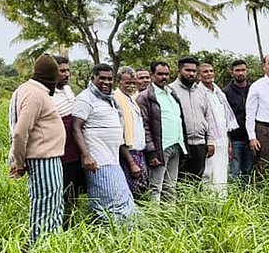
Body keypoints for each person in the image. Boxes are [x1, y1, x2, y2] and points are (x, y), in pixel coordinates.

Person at [7, 54, 67, 242]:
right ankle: (41, 249)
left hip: (48, 158)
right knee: (46, 206)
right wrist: (19, 162)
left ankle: (51, 245)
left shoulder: (32, 90)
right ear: (50, 77)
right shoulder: (35, 94)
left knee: (53, 204)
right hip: (43, 159)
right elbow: (20, 132)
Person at [71, 64, 138, 223]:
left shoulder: (110, 100)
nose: (106, 82)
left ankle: (115, 236)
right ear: (92, 78)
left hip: (113, 160)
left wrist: (130, 160)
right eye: (102, 78)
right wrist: (86, 155)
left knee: (121, 200)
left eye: (109, 79)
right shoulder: (85, 98)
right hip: (98, 162)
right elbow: (75, 127)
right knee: (111, 204)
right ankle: (111, 237)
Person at [137, 60, 186, 202]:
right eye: (160, 74)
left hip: (176, 145)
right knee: (155, 187)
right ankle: (155, 219)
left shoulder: (171, 93)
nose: (164, 77)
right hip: (159, 149)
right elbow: (144, 126)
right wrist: (152, 151)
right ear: (152, 75)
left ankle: (170, 218)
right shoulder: (145, 96)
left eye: (166, 74)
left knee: (170, 186)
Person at [169, 56, 218, 182]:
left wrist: (211, 141)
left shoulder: (201, 91)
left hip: (200, 144)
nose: (191, 74)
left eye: (194, 71)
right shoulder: (171, 90)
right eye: (187, 70)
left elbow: (209, 116)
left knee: (197, 181)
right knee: (179, 181)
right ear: (179, 71)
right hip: (180, 145)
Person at [52, 55, 83, 223]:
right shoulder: (48, 95)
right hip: (60, 153)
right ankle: (62, 224)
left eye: (68, 70)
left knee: (74, 192)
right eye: (62, 71)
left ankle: (72, 222)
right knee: (62, 191)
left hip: (75, 150)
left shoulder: (68, 90)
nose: (66, 74)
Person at [200, 62, 238, 196]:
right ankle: (208, 205)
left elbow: (225, 121)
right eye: (205, 72)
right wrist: (208, 141)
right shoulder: (199, 93)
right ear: (199, 76)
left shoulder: (219, 93)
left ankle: (222, 204)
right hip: (209, 141)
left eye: (211, 71)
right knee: (209, 174)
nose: (209, 74)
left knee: (222, 173)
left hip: (223, 140)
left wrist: (229, 144)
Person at [114, 67, 148, 196]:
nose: (131, 86)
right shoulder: (115, 99)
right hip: (128, 153)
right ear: (119, 82)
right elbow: (119, 134)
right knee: (132, 191)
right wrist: (131, 162)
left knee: (142, 189)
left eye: (133, 82)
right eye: (127, 83)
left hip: (139, 151)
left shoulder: (132, 99)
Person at [223, 59, 254, 180]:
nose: (240, 73)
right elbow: (224, 119)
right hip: (235, 139)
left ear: (247, 71)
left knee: (249, 173)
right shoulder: (225, 93)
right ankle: (235, 198)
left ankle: (248, 198)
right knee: (234, 173)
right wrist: (228, 143)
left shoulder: (254, 89)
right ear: (232, 73)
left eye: (243, 70)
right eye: (237, 70)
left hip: (251, 139)